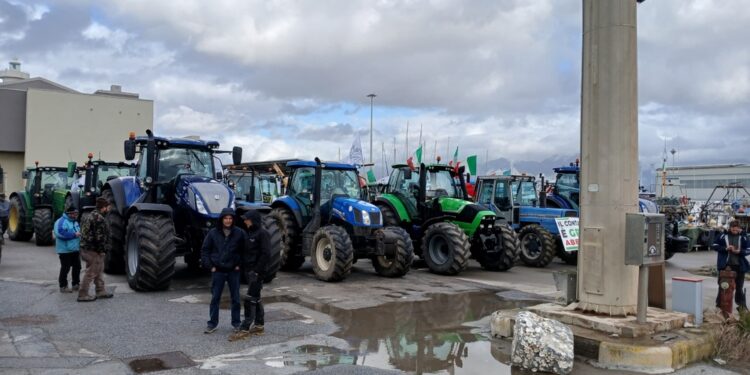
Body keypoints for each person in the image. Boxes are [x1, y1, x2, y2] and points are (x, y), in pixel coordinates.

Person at [201, 207, 245, 333]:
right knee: (215, 298)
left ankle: (236, 323)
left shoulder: (239, 233)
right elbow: (205, 250)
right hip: (218, 271)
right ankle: (212, 324)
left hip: (233, 271)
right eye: (226, 218)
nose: (228, 221)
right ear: (221, 219)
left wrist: (239, 265)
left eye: (230, 218)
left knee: (235, 298)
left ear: (233, 220)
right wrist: (211, 266)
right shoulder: (213, 233)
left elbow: (245, 250)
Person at [238, 210, 270, 336]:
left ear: (253, 219)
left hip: (257, 272)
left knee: (250, 299)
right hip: (249, 270)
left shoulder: (262, 233)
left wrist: (256, 271)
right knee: (256, 298)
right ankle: (259, 325)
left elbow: (266, 254)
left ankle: (245, 327)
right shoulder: (249, 233)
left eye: (247, 219)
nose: (245, 221)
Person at [77, 198, 113, 302]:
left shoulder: (91, 215)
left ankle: (100, 291)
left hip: (89, 248)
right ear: (104, 207)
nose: (109, 209)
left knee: (99, 270)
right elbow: (99, 237)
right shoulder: (98, 218)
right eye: (108, 207)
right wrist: (102, 250)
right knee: (91, 272)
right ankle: (82, 294)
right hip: (93, 250)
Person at [713, 220, 750, 312]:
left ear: (739, 228)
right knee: (723, 286)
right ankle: (719, 306)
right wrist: (725, 249)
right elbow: (714, 245)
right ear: (730, 228)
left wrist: (739, 252)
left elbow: (748, 249)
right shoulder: (722, 235)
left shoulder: (744, 237)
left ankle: (741, 307)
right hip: (725, 266)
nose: (734, 230)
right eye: (733, 228)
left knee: (739, 287)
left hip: (739, 266)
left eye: (736, 228)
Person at [54, 207, 81, 293]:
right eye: (73, 213)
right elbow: (59, 233)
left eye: (76, 213)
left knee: (77, 267)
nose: (75, 215)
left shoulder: (75, 222)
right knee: (65, 268)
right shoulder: (61, 221)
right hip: (64, 250)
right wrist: (74, 235)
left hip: (75, 249)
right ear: (69, 213)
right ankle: (63, 286)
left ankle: (76, 284)